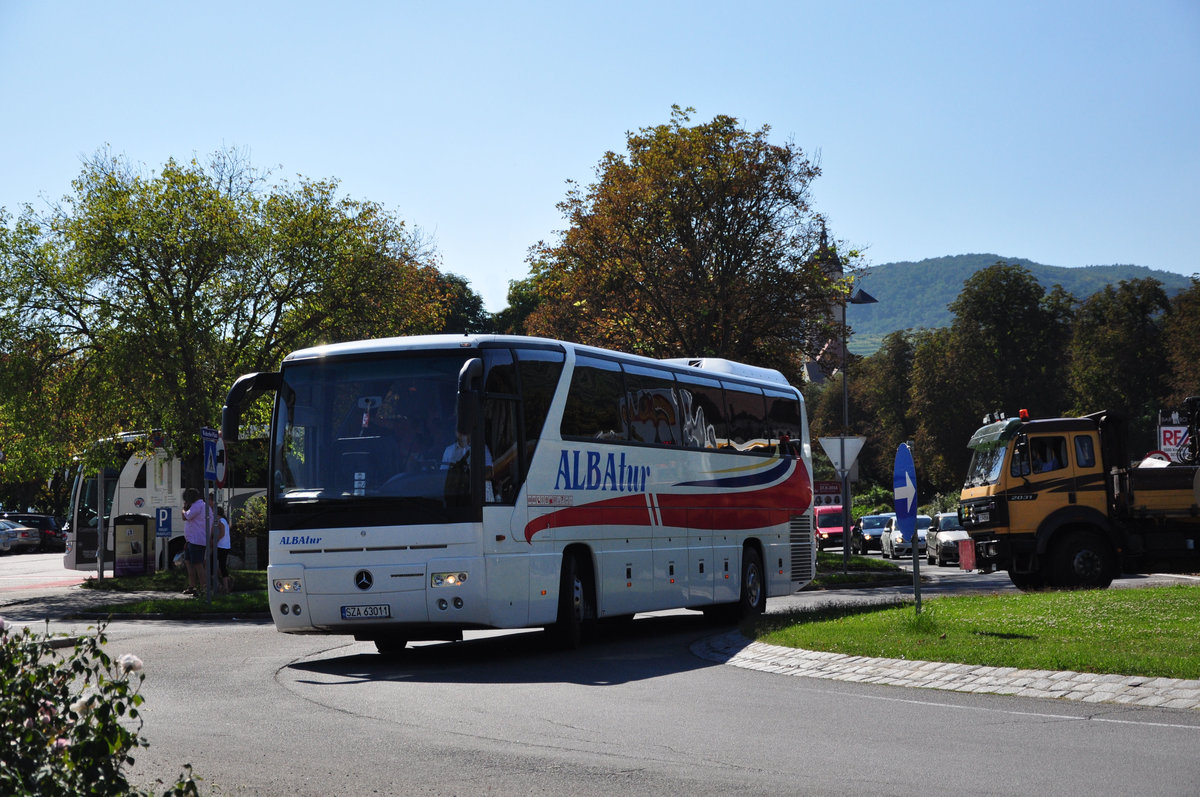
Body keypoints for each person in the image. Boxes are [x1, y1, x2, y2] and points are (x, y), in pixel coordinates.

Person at [180, 488, 208, 596]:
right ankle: (192, 586)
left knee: (197, 564)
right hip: (191, 540)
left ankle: (204, 588)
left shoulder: (197, 505)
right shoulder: (199, 505)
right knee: (188, 563)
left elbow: (185, 516)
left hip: (196, 540)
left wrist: (183, 509)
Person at [214, 505, 232, 595]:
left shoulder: (221, 521)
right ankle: (227, 581)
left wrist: (214, 541)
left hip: (221, 546)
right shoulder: (224, 521)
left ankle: (225, 586)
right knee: (220, 566)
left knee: (221, 566)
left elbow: (222, 533)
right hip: (225, 546)